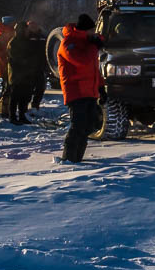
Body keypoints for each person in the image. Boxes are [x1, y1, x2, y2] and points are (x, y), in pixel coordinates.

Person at [56, 13, 104, 163]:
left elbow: (94, 69)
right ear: (85, 30)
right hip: (76, 91)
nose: (93, 33)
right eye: (91, 31)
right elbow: (82, 62)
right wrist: (94, 46)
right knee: (78, 126)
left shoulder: (86, 43)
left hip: (89, 91)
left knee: (89, 126)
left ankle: (77, 158)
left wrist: (101, 88)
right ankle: (68, 158)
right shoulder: (68, 43)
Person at [5, 22, 38, 124]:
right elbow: (16, 58)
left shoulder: (27, 41)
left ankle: (23, 116)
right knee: (15, 97)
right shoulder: (13, 43)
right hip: (17, 75)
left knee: (25, 97)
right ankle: (13, 117)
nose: (28, 31)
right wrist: (28, 62)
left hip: (26, 75)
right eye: (26, 30)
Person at [0, 16, 16, 117]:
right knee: (7, 88)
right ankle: (3, 110)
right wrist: (7, 66)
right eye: (12, 22)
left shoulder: (8, 33)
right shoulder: (2, 35)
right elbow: (1, 55)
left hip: (7, 66)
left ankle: (6, 109)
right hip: (5, 67)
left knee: (8, 88)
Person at [25, 21, 49, 111]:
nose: (33, 28)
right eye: (31, 26)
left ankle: (35, 105)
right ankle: (25, 105)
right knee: (28, 88)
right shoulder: (26, 37)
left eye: (35, 26)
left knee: (40, 87)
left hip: (41, 66)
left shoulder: (43, 36)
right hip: (29, 67)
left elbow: (48, 50)